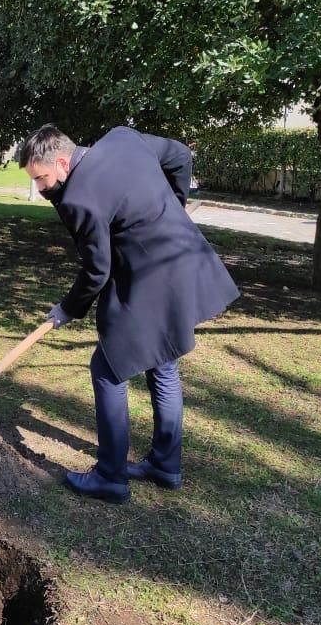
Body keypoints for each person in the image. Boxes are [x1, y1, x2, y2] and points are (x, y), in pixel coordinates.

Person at [20, 124, 239, 503]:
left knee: (106, 368)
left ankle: (110, 476)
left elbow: (97, 270)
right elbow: (181, 157)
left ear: (61, 162)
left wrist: (67, 309)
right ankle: (164, 465)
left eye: (41, 178)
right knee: (164, 361)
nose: (41, 189)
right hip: (183, 259)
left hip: (150, 278)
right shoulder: (124, 138)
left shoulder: (80, 199)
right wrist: (173, 208)